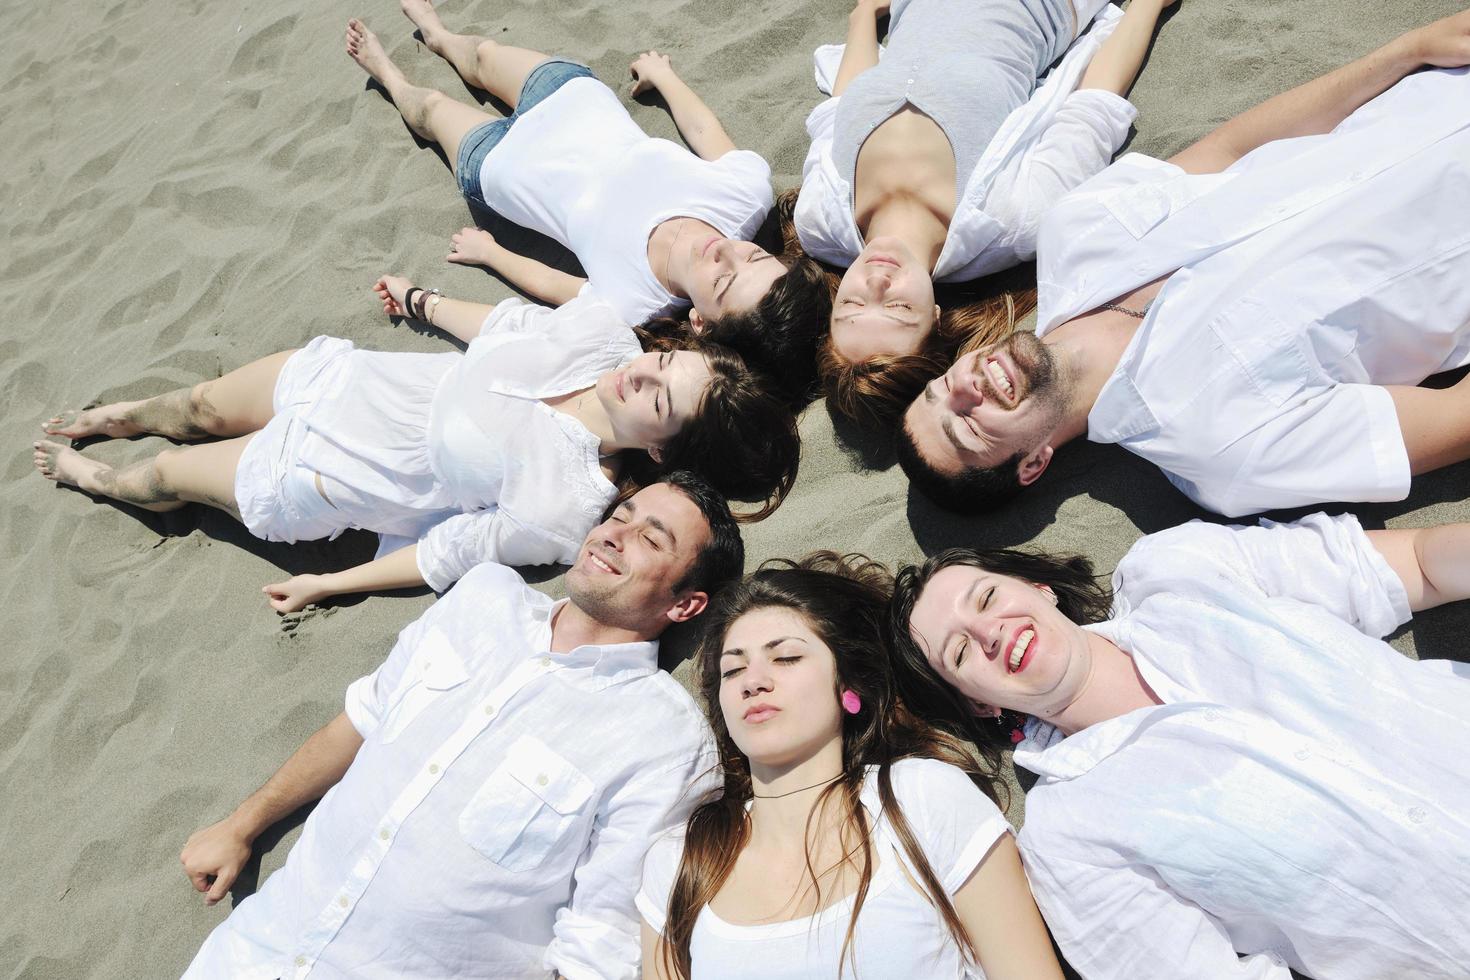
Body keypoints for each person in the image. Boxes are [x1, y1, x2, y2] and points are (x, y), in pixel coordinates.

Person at [899, 11, 1470, 516]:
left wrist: (1408, 51)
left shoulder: (1076, 231)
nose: (966, 387)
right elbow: (1453, 420)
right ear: (1032, 465)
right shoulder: (1222, 449)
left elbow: (1235, 146)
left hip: (1445, 87)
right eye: (967, 425)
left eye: (942, 386)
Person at [178, 475, 742, 977]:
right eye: (621, 516)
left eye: (651, 538)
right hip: (255, 949)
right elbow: (361, 721)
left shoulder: (661, 741)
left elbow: (600, 946)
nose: (616, 534)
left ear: (686, 606)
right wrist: (242, 825)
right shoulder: (482, 597)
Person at [888, 512, 1470, 978]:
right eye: (959, 653)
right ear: (981, 705)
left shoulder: (1180, 571)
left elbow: (1417, 563)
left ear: (1041, 590)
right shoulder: (1070, 841)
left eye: (986, 599)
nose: (988, 633)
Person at [32, 274, 797, 610]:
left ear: (663, 452)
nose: (640, 373)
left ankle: (95, 479)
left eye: (658, 395)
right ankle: (123, 411)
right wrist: (421, 299)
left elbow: (449, 552)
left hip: (321, 475)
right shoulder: (599, 335)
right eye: (661, 360)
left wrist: (329, 584)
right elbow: (500, 326)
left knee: (166, 472)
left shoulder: (563, 506)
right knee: (194, 404)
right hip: (342, 383)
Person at [343, 4, 830, 395]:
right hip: (570, 97)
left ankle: (388, 74)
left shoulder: (634, 303)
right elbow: (705, 131)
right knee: (482, 56)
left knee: (428, 108)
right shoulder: (745, 197)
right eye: (755, 256)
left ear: (701, 322)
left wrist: (491, 253)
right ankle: (439, 36)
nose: (725, 252)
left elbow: (553, 284)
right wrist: (664, 77)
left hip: (501, 166)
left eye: (723, 281)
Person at [638, 553, 1063, 979]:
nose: (753, 681)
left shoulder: (921, 798)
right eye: (732, 669)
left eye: (786, 658)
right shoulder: (681, 860)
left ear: (849, 686)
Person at [798, 0, 1176, 426]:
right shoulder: (1011, 222)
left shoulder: (820, 217)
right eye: (899, 307)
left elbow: (838, 108)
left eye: (852, 303)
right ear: (936, 317)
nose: (877, 281)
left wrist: (863, 16)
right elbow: (1095, 105)